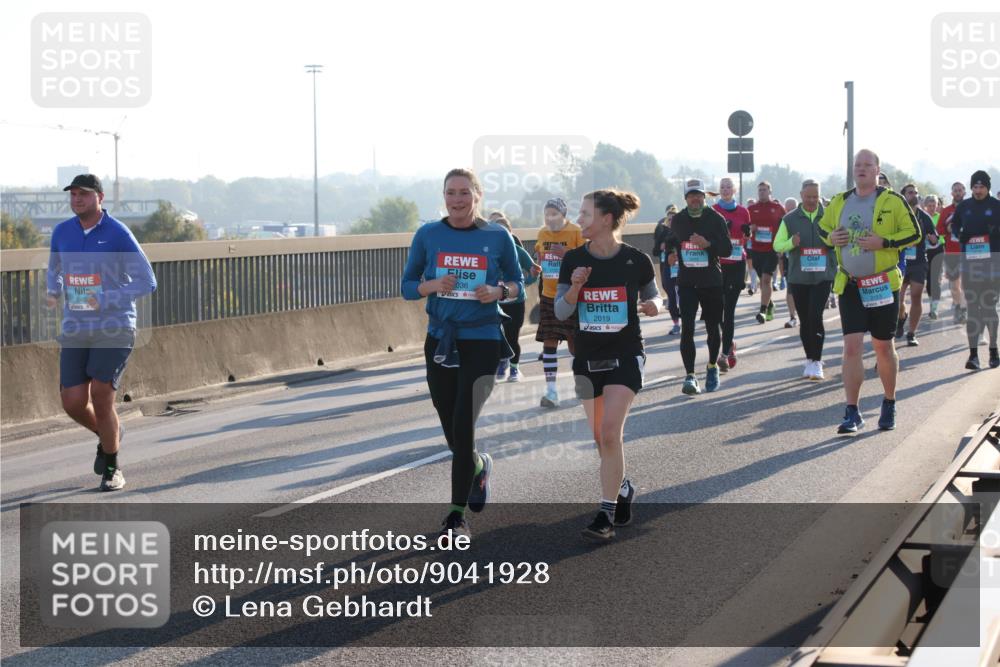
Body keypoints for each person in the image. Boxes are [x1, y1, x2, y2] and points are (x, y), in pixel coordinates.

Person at [401, 168, 524, 540]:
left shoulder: (497, 236)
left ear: (477, 196)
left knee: (462, 421)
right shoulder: (428, 235)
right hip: (440, 339)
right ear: (444, 197)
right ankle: (477, 464)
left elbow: (519, 284)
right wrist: (433, 285)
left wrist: (498, 292)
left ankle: (456, 516)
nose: (457, 200)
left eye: (464, 193)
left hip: (483, 338)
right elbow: (407, 287)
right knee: (448, 421)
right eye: (451, 193)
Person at [555, 189, 657, 541]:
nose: (579, 220)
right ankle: (622, 487)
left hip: (625, 354)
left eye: (585, 214)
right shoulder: (572, 260)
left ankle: (605, 514)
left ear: (607, 220)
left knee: (611, 432)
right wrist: (576, 288)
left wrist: (653, 306)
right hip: (586, 357)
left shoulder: (635, 260)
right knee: (600, 437)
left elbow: (652, 294)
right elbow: (561, 311)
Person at [45, 174, 157, 492]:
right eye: (74, 194)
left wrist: (106, 297)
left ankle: (112, 468)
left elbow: (147, 281)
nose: (77, 199)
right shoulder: (62, 232)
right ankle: (109, 436)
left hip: (115, 326)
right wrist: (53, 291)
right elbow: (54, 269)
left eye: (84, 194)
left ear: (100, 197)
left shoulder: (118, 233)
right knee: (72, 401)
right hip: (77, 327)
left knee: (101, 396)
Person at [820, 150, 921, 434]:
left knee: (882, 347)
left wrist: (884, 242)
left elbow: (914, 234)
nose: (861, 169)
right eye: (857, 165)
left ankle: (889, 402)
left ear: (878, 170)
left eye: (867, 165)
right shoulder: (840, 201)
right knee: (851, 346)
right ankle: (852, 411)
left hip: (881, 284)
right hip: (850, 284)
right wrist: (830, 238)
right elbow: (823, 229)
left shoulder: (892, 200)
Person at [664, 179, 732, 394]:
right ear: (685, 198)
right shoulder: (678, 220)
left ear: (704, 197)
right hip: (687, 282)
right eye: (691, 195)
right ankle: (690, 376)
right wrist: (672, 254)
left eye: (699, 195)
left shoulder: (715, 218)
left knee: (713, 328)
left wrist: (708, 244)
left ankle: (712, 366)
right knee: (688, 330)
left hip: (711, 281)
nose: (695, 198)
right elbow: (671, 242)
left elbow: (728, 249)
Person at [774, 180, 837, 380]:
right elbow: (777, 245)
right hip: (798, 277)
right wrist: (791, 243)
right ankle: (809, 358)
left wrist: (832, 242)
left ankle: (817, 361)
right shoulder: (790, 219)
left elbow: (839, 241)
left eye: (815, 197)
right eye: (808, 197)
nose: (811, 201)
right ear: (801, 195)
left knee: (815, 316)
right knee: (804, 320)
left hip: (823, 276)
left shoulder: (828, 216)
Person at [534, 198, 584, 408]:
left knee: (575, 346)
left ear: (563, 215)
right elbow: (539, 254)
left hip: (571, 295)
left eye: (554, 213)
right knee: (549, 343)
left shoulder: (576, 232)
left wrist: (567, 255)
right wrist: (536, 262)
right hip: (548, 294)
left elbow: (586, 259)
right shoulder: (542, 233)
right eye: (547, 213)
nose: (550, 218)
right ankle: (551, 391)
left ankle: (581, 382)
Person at [951, 170, 1000, 370]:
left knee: (988, 308)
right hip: (970, 265)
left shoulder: (996, 206)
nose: (978, 190)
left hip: (993, 266)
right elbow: (954, 227)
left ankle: (993, 351)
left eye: (981, 187)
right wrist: (959, 234)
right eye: (975, 187)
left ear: (987, 187)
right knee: (972, 309)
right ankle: (973, 356)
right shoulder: (964, 206)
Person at [491, 215, 541, 381]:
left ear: (510, 233)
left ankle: (514, 369)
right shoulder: (488, 251)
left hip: (516, 302)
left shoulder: (518, 252)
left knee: (512, 336)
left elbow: (534, 273)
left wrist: (522, 284)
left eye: (504, 232)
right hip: (495, 303)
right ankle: (501, 363)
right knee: (496, 336)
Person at [712, 178, 750, 371]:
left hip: (736, 263)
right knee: (719, 309)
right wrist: (720, 231)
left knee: (729, 310)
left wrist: (747, 232)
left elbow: (747, 236)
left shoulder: (743, 211)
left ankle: (724, 354)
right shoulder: (713, 210)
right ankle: (730, 343)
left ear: (735, 189)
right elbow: (707, 235)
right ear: (719, 191)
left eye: (729, 187)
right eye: (723, 187)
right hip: (718, 265)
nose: (726, 190)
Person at [894, 184, 939, 345]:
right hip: (899, 262)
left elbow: (935, 238)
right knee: (898, 299)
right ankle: (901, 318)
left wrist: (933, 238)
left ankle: (912, 333)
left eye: (916, 192)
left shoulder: (924, 216)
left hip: (919, 262)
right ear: (903, 195)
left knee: (916, 296)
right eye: (910, 192)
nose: (914, 195)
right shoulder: (896, 214)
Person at [748, 182, 785, 323]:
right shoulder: (752, 209)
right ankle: (770, 304)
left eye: (764, 190)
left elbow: (785, 227)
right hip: (756, 250)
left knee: (766, 279)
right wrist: (750, 228)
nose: (762, 192)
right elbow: (745, 227)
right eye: (760, 190)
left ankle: (762, 311)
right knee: (762, 280)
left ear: (770, 191)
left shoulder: (777, 208)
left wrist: (781, 247)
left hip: (772, 250)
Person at [938, 182, 969, 324]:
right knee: (954, 285)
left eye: (960, 190)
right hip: (951, 251)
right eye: (955, 190)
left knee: (966, 284)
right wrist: (948, 229)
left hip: (968, 251)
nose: (958, 192)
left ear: (964, 192)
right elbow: (939, 230)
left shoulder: (971, 208)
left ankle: (963, 309)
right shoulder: (946, 211)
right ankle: (958, 305)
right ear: (952, 193)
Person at [653, 205, 681, 335]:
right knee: (670, 292)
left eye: (674, 219)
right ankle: (676, 323)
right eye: (669, 219)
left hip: (682, 267)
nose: (671, 221)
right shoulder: (663, 233)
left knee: (682, 294)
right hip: (667, 268)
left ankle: (683, 321)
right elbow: (654, 251)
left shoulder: (683, 232)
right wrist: (661, 247)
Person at [923, 194, 944, 320]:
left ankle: (934, 309)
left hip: (938, 250)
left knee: (935, 279)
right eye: (929, 206)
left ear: (937, 206)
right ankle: (931, 303)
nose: (932, 208)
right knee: (928, 281)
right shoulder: (922, 217)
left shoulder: (940, 218)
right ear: (925, 206)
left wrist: (936, 238)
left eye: (934, 205)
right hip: (924, 251)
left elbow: (943, 234)